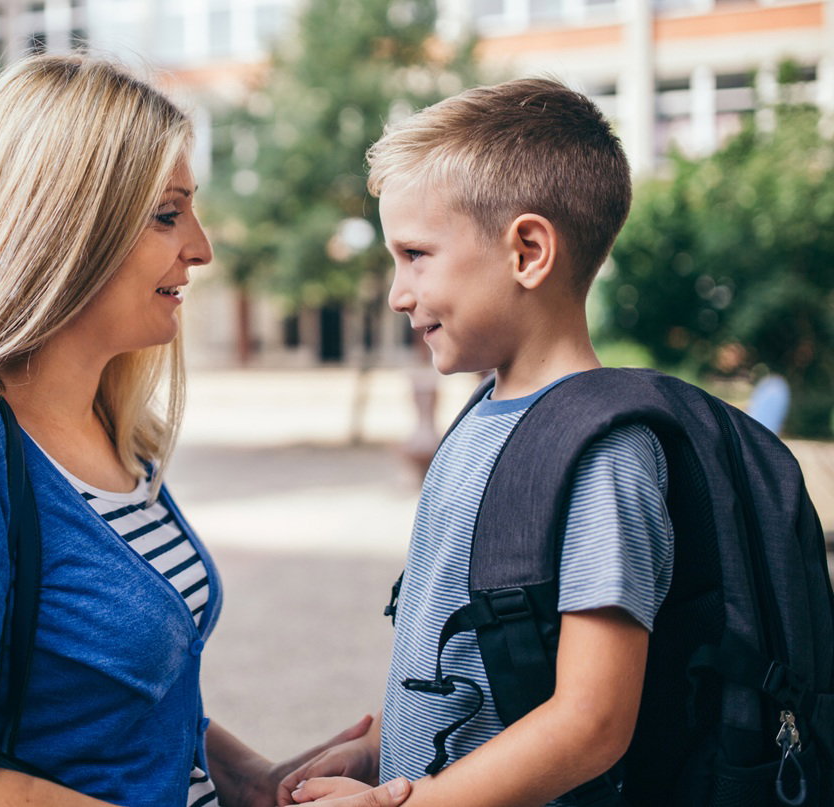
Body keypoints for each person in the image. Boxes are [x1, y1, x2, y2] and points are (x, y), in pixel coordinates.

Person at [0, 54, 410, 807]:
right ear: (61, 227)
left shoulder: (113, 432)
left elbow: (108, 701)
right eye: (168, 213)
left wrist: (253, 781)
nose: (201, 247)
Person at [280, 78, 674, 806]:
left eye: (417, 254)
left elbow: (592, 720)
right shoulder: (482, 415)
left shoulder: (601, 453)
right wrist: (379, 749)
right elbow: (470, 655)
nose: (398, 292)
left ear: (527, 250)